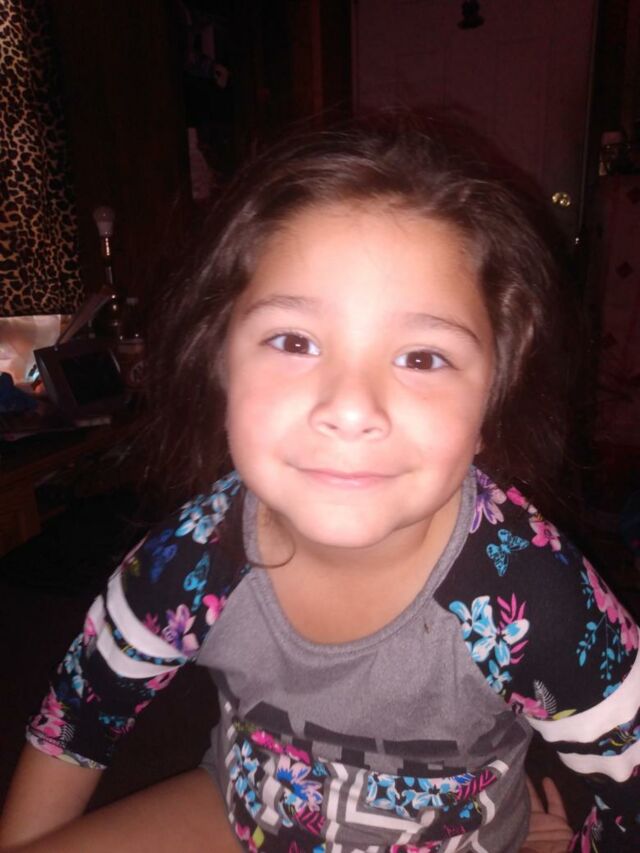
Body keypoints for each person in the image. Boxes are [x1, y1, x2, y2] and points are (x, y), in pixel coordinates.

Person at [1, 122, 638, 852]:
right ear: (221, 365)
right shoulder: (194, 556)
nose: (350, 407)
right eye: (294, 341)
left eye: (423, 357)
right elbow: (79, 712)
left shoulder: (535, 597)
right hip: (239, 812)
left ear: (492, 403)